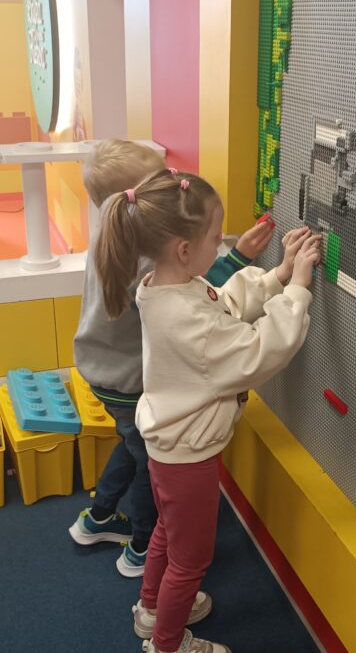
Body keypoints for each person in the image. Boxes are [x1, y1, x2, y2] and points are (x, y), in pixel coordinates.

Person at [94, 167, 320, 653]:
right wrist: (297, 291)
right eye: (216, 237)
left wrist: (276, 275)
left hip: (167, 446)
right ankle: (166, 651)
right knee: (190, 559)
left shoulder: (166, 289)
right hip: (187, 457)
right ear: (183, 249)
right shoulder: (186, 317)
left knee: (168, 536)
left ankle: (152, 608)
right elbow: (258, 350)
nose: (222, 244)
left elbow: (222, 306)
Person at [69, 139, 276, 577]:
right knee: (151, 465)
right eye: (158, 182)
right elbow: (194, 291)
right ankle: (142, 548)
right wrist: (239, 257)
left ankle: (98, 517)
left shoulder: (110, 234)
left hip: (102, 372)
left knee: (132, 444)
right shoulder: (143, 262)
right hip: (129, 380)